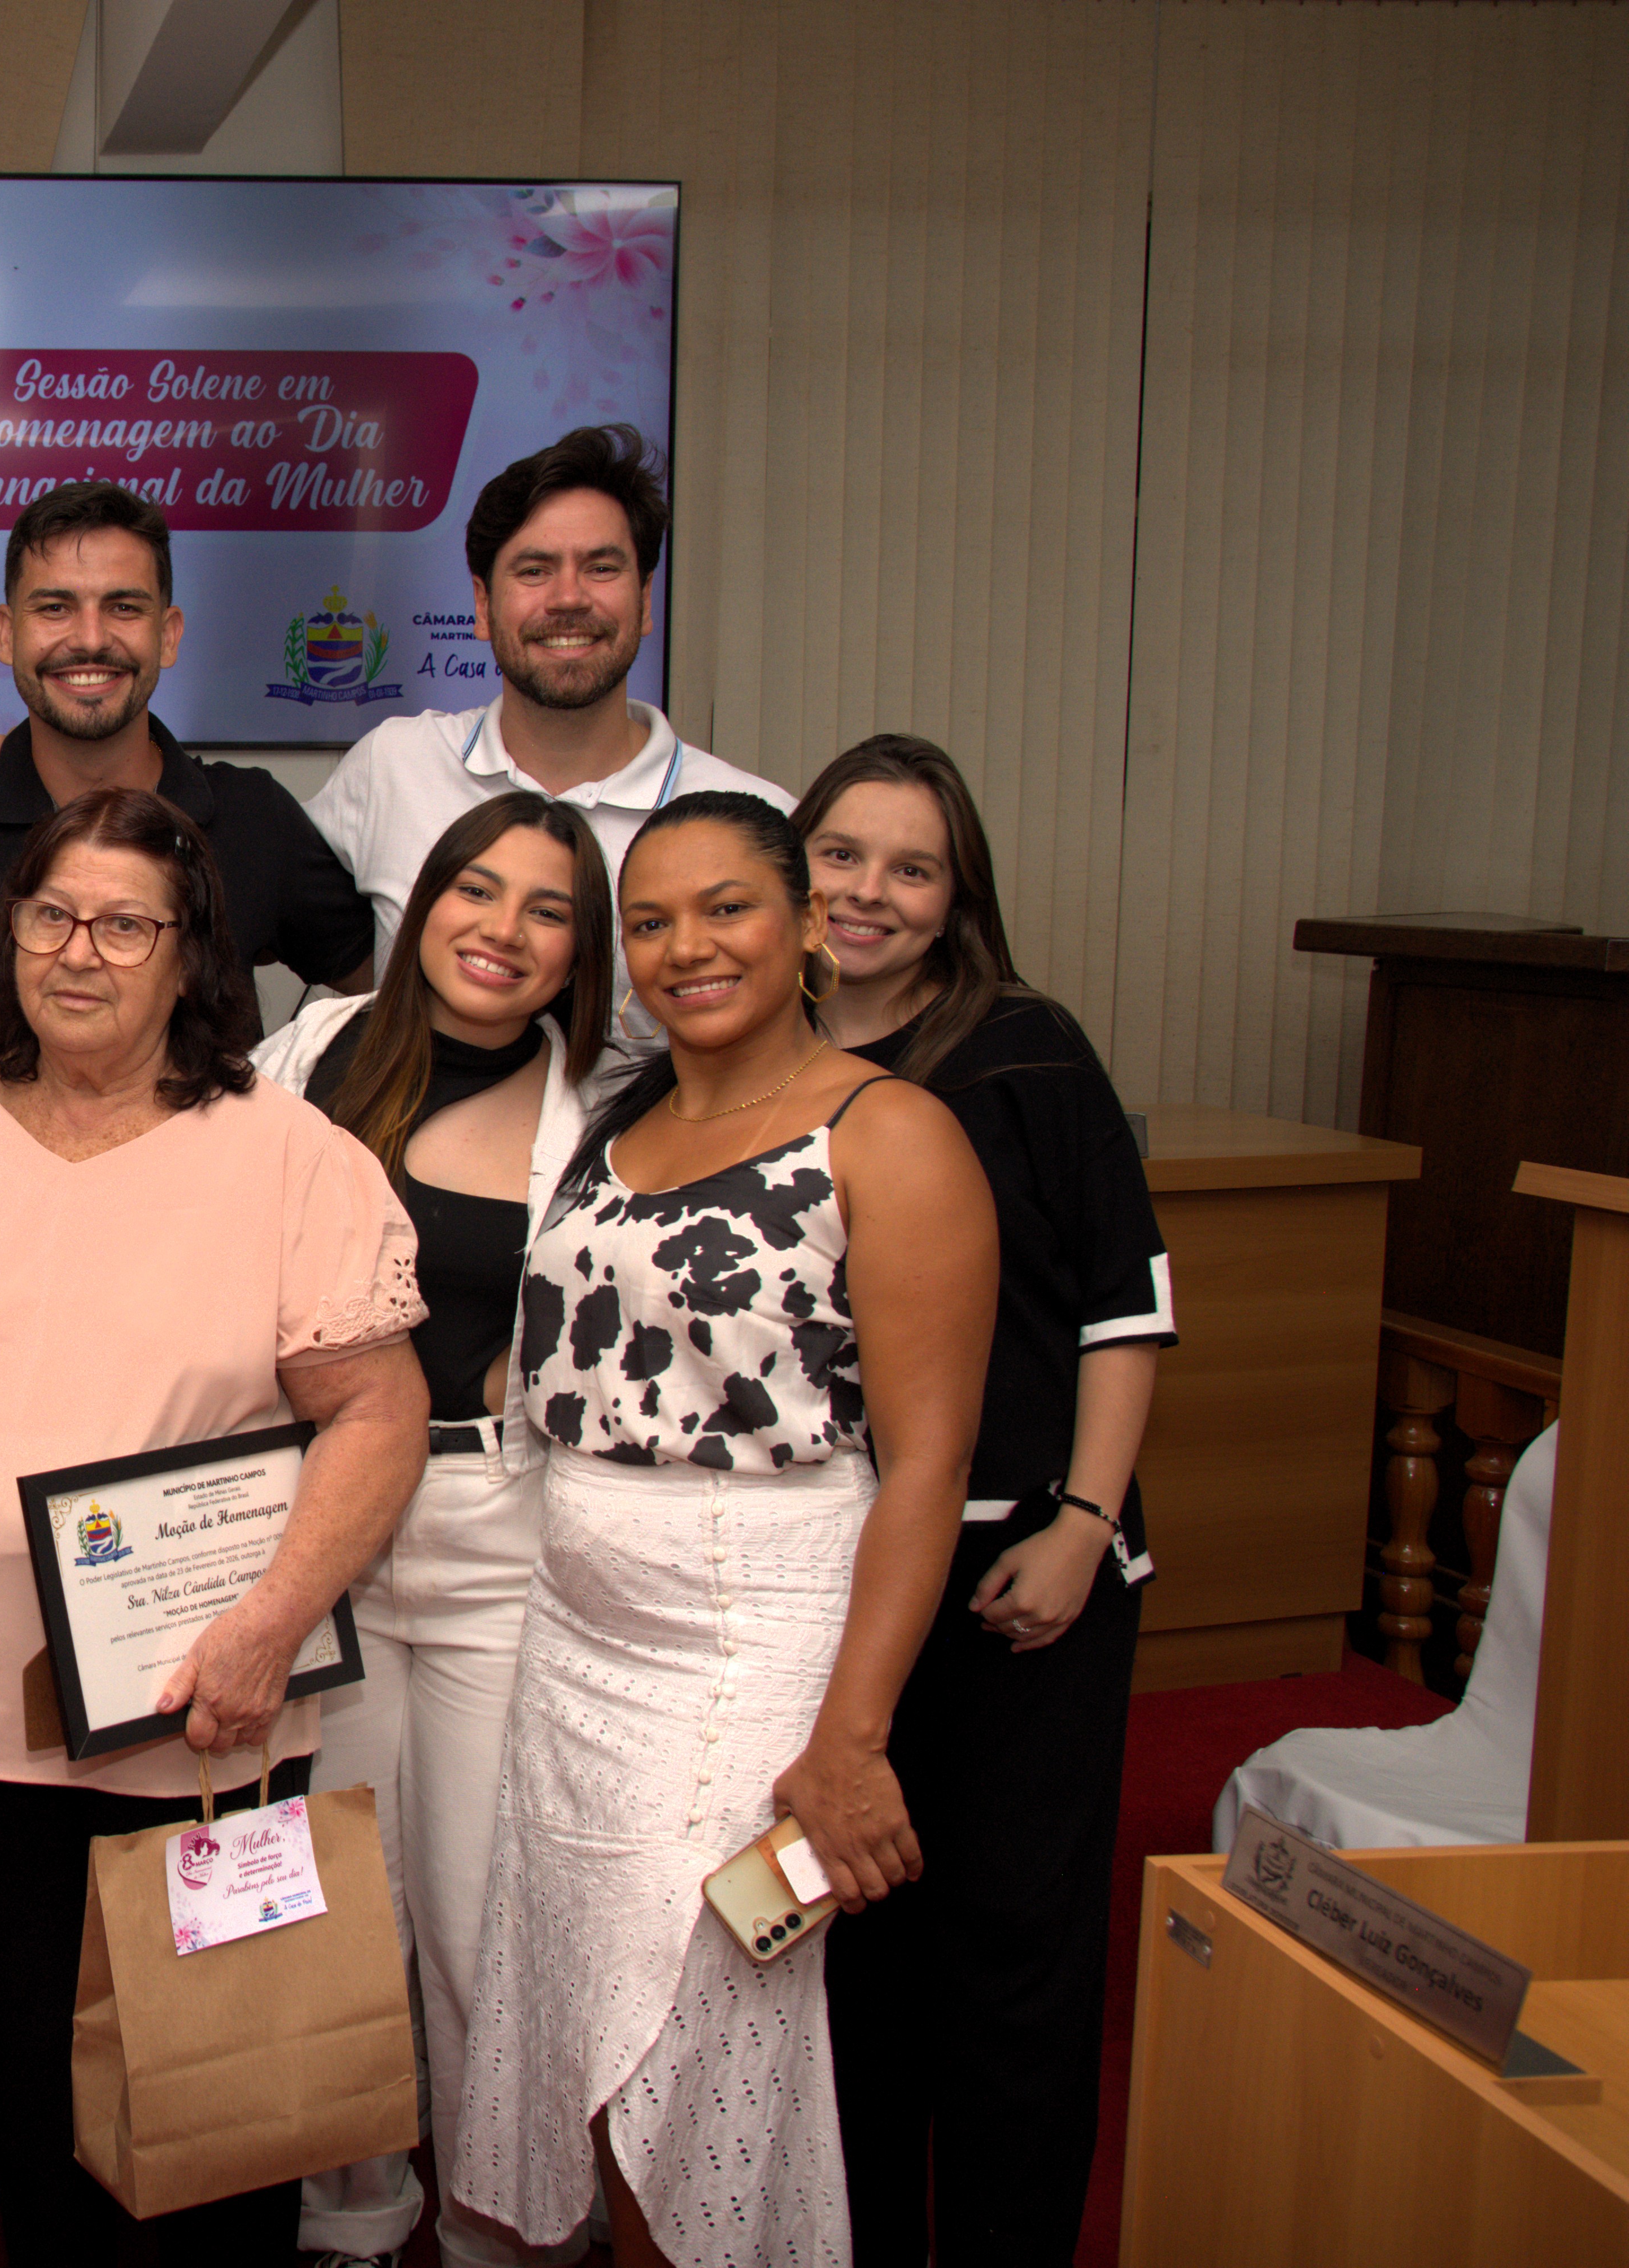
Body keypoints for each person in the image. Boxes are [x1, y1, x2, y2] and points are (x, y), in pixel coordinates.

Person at [0, 786, 430, 2266]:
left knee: (215, 2101)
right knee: (30, 2085)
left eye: (123, 925)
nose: (77, 952)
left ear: (193, 956)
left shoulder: (286, 1153)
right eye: (51, 915)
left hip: (201, 1708)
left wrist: (269, 1627)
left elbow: (376, 1412)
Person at [448, 791, 994, 2268]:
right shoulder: (619, 1118)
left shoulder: (890, 1133)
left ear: (809, 924)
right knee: (587, 2027)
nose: (686, 946)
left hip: (748, 1644)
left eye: (727, 908)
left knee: (683, 2050)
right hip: (575, 1647)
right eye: (649, 922)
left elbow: (930, 1465)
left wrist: (853, 1740)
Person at [795, 736, 1173, 2267]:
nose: (866, 892)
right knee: (850, 1948)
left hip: (1026, 1572)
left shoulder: (1027, 1051)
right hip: (833, 1576)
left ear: (958, 899)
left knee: (1012, 1946)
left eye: (912, 868)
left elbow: (1123, 1309)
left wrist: (1082, 1520)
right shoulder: (752, 1056)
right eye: (840, 854)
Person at [248, 794, 614, 2268]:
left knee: (478, 1918)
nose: (501, 929)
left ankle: (495, 2221)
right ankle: (347, 2214)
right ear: (424, 903)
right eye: (476, 889)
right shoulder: (311, 1056)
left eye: (547, 909)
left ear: (579, 954)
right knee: (329, 1901)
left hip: (486, 1538)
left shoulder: (605, 1117)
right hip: (305, 1526)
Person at [0, 481, 373, 1089]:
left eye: (123, 608)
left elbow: (394, 993)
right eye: (54, 608)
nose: (90, 639)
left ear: (168, 634)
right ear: (7, 633)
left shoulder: (255, 816)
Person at [305, 425, 787, 976]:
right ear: (483, 605)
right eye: (534, 571)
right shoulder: (393, 766)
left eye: (601, 569)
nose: (568, 599)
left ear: (645, 598)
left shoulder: (758, 823)